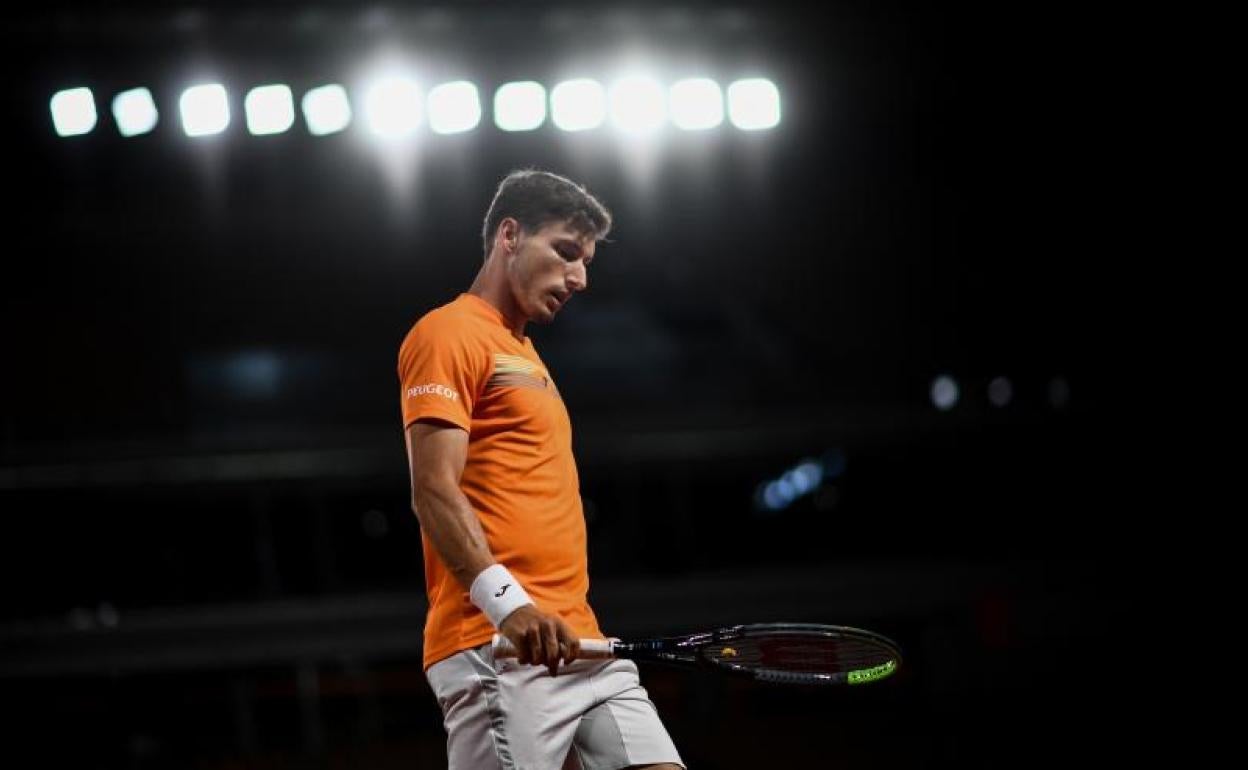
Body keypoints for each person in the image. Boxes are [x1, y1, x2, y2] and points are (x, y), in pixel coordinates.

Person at [398, 169, 685, 770]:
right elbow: (432, 490)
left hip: (581, 642)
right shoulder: (447, 332)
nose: (579, 277)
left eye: (585, 262)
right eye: (565, 252)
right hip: (498, 644)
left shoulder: (524, 354)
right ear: (509, 235)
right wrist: (510, 607)